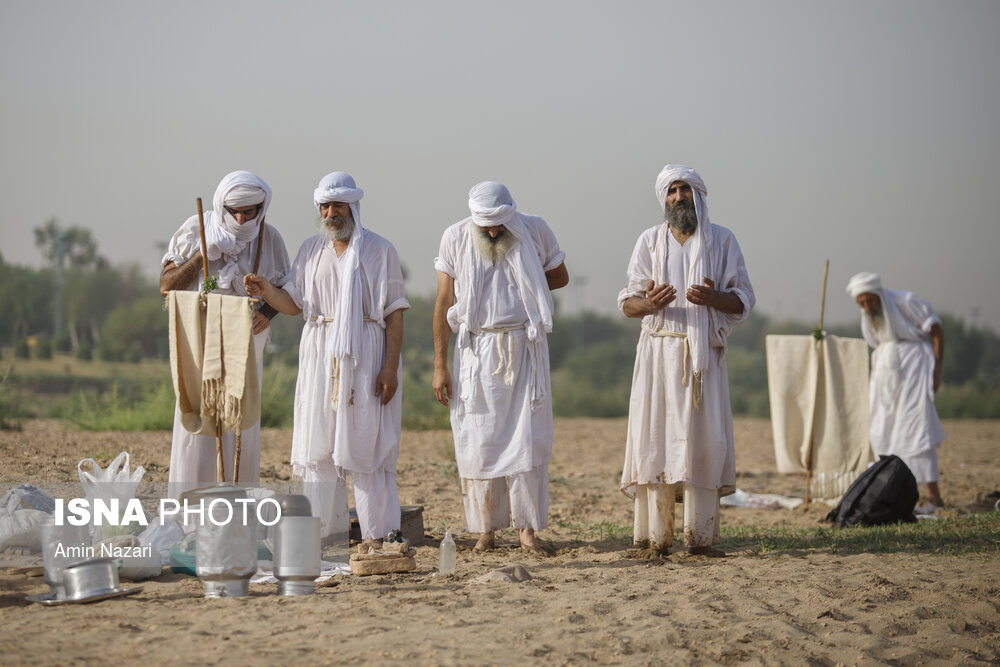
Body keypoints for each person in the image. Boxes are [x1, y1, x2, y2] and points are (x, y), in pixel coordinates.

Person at [244, 171, 409, 546]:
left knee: (366, 447)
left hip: (366, 355)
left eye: (338, 205)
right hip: (320, 354)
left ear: (353, 207)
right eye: (326, 206)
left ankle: (380, 537)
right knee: (318, 449)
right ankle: (325, 538)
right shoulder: (310, 250)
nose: (332, 213)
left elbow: (395, 313)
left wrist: (389, 367)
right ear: (319, 209)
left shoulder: (380, 250)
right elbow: (293, 304)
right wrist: (267, 289)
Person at [618, 164, 754, 557]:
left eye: (686, 190)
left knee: (704, 443)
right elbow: (627, 303)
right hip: (659, 355)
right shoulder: (648, 241)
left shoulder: (723, 241)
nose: (679, 196)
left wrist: (714, 299)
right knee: (655, 441)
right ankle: (654, 539)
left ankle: (701, 538)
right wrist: (649, 304)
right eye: (673, 190)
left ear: (699, 195)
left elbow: (743, 300)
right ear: (664, 198)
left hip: (703, 360)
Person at [432, 181, 568, 553]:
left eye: (499, 224)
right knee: (478, 441)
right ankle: (485, 530)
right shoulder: (455, 236)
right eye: (485, 225)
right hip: (476, 350)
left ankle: (527, 530)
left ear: (511, 215)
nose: (492, 231)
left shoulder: (533, 229)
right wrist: (439, 365)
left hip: (524, 346)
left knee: (527, 439)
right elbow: (444, 299)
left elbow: (560, 275)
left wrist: (524, 284)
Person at [160, 170, 290, 491]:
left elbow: (287, 291)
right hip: (200, 339)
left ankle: (235, 506)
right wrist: (202, 255)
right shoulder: (197, 229)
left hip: (246, 340)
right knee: (197, 422)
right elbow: (166, 286)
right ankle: (188, 507)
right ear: (222, 206)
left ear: (262, 210)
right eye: (235, 212)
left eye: (250, 213)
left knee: (240, 422)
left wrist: (268, 314)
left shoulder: (269, 238)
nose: (242, 220)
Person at [846, 272, 946, 510]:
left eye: (870, 300)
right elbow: (875, 343)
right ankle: (890, 489)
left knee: (916, 428)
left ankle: (933, 493)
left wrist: (936, 371)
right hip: (885, 375)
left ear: (878, 294)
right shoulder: (867, 316)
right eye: (862, 303)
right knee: (882, 429)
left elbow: (936, 330)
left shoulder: (905, 301)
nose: (868, 306)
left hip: (915, 370)